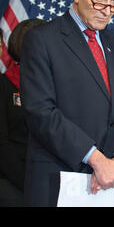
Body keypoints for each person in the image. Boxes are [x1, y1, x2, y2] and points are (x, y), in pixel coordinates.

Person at [19, 0, 114, 207]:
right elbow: (41, 112)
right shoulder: (42, 40)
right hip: (60, 180)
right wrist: (96, 160)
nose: (107, 10)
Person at [0, 19, 46, 207]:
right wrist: (27, 182)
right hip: (14, 183)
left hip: (50, 179)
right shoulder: (3, 85)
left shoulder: (58, 86)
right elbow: (1, 143)